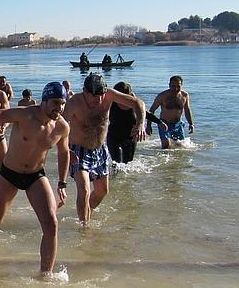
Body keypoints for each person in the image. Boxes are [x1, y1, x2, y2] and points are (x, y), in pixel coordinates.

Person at [0, 82, 70, 275]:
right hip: (9, 174)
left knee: (51, 224)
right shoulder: (26, 114)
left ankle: (45, 275)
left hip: (35, 176)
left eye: (63, 103)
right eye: (56, 103)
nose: (60, 108)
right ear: (45, 101)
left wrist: (62, 183)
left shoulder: (61, 127)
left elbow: (64, 153)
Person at [62, 73, 146, 225]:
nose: (98, 100)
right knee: (85, 190)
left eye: (101, 95)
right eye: (94, 96)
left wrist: (140, 123)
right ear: (84, 91)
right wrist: (65, 150)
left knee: (102, 191)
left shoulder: (110, 95)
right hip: (78, 151)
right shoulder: (74, 103)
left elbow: (138, 103)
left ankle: (86, 211)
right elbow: (59, 127)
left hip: (100, 150)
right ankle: (84, 228)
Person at [108, 82, 168, 163]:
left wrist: (159, 122)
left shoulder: (135, 104)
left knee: (128, 163)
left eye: (125, 97)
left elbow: (146, 113)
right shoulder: (111, 104)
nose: (122, 100)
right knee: (115, 162)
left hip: (131, 137)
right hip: (114, 136)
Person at [147, 75, 195, 149]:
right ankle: (163, 159)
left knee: (181, 146)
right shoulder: (162, 96)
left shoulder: (184, 95)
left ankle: (176, 160)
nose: (175, 88)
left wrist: (191, 124)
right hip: (164, 124)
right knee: (166, 145)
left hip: (178, 125)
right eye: (173, 86)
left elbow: (187, 110)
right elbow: (152, 110)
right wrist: (148, 126)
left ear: (181, 85)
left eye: (178, 86)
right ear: (169, 85)